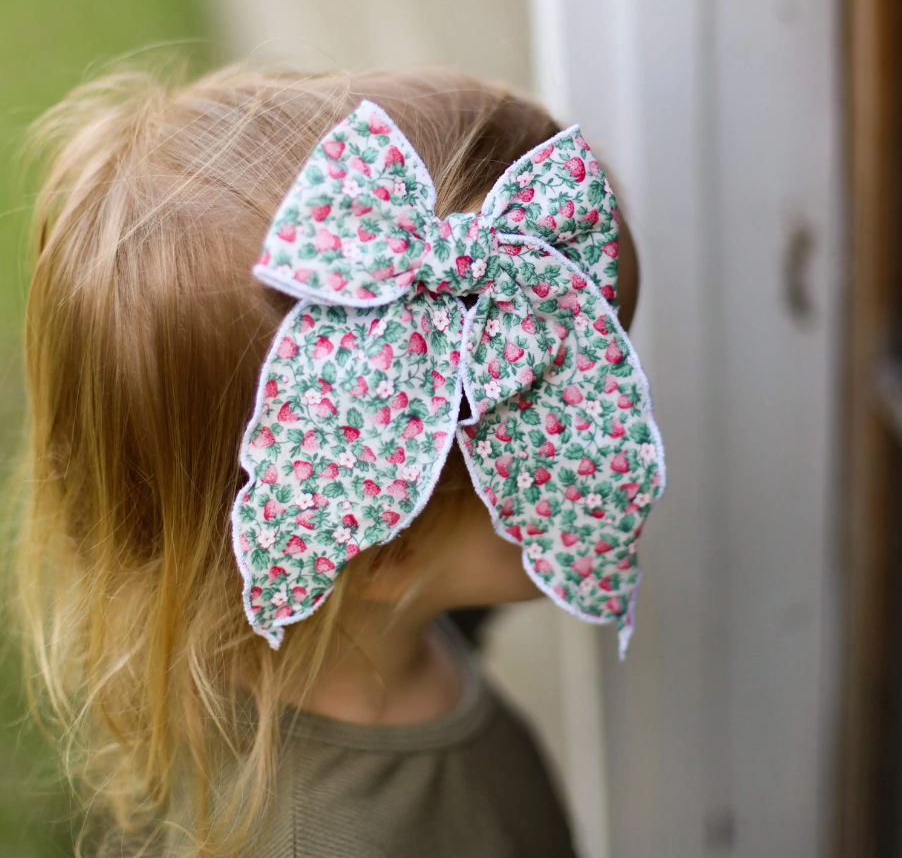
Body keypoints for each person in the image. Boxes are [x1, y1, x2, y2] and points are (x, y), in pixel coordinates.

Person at [15, 64, 655, 858]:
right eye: (569, 416)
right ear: (382, 535)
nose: (616, 440)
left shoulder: (377, 622)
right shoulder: (332, 838)